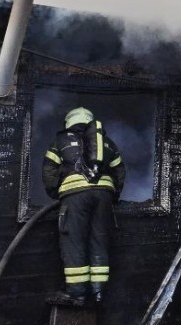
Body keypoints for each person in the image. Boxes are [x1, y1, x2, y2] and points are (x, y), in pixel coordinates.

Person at [42, 106, 126, 306]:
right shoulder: (107, 143)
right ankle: (99, 293)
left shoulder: (60, 141)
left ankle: (77, 293)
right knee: (99, 241)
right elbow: (120, 171)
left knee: (74, 241)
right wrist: (113, 195)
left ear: (69, 122)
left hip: (75, 196)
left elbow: (49, 171)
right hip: (104, 195)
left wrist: (56, 193)